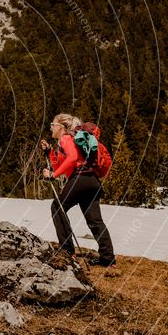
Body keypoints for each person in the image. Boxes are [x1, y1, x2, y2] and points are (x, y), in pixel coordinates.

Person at [40, 113, 116, 267]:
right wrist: (49, 152)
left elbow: (73, 158)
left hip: (80, 179)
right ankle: (107, 258)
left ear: (61, 127)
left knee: (57, 207)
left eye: (52, 125)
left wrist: (53, 175)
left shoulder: (65, 138)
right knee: (95, 221)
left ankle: (67, 252)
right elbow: (62, 165)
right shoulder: (71, 141)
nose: (51, 128)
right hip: (92, 181)